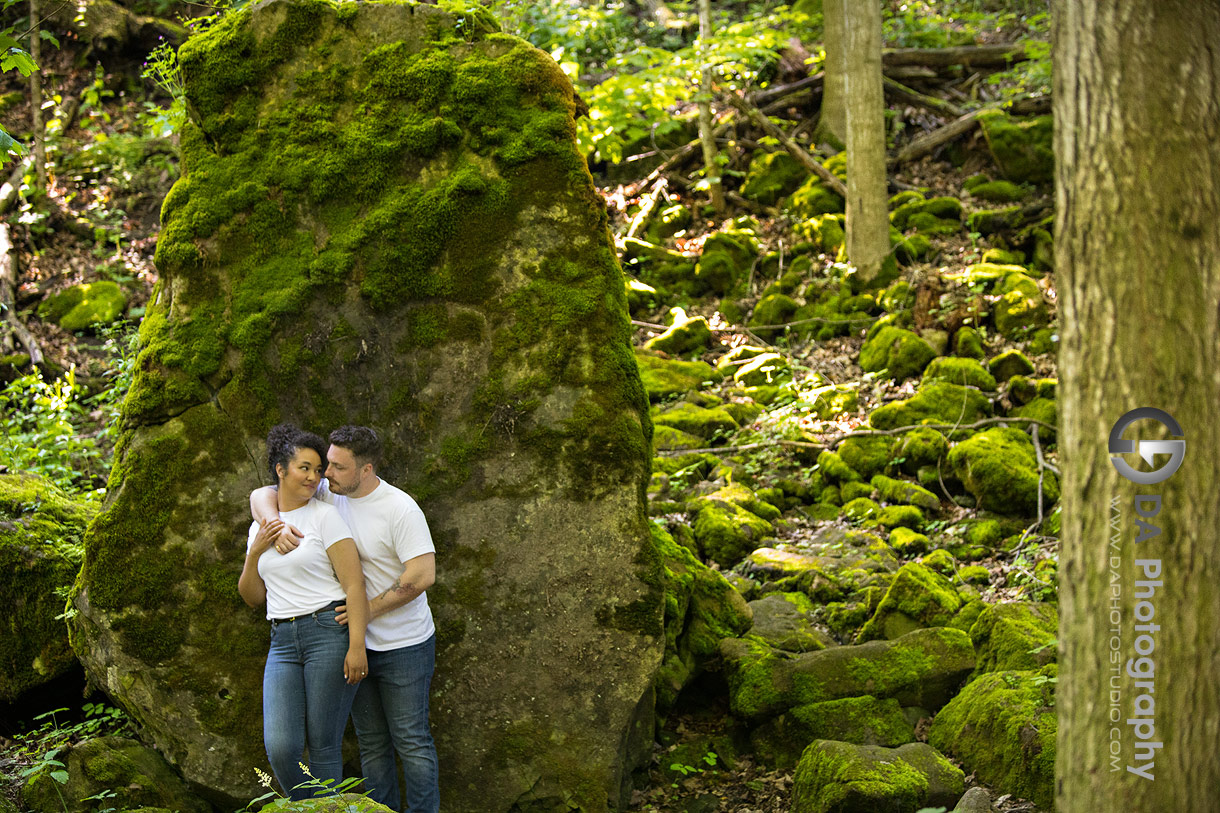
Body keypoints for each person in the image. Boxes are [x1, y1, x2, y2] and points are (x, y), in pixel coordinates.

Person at [251, 425, 439, 813]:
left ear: (365, 470)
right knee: (371, 743)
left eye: (336, 467)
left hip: (403, 643)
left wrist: (364, 611)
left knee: (411, 741)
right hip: (352, 642)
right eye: (323, 466)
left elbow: (422, 576)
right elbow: (263, 493)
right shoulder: (328, 493)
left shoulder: (399, 508)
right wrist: (276, 524)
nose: (324, 475)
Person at [238, 424, 370, 800]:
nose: (314, 477)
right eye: (304, 468)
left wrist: (356, 645)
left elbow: (354, 585)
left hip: (327, 631)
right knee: (281, 746)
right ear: (281, 470)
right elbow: (252, 597)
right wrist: (255, 551)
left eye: (317, 469)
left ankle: (322, 808)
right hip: (281, 640)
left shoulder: (325, 517)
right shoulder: (261, 527)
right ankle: (310, 805)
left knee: (324, 743)